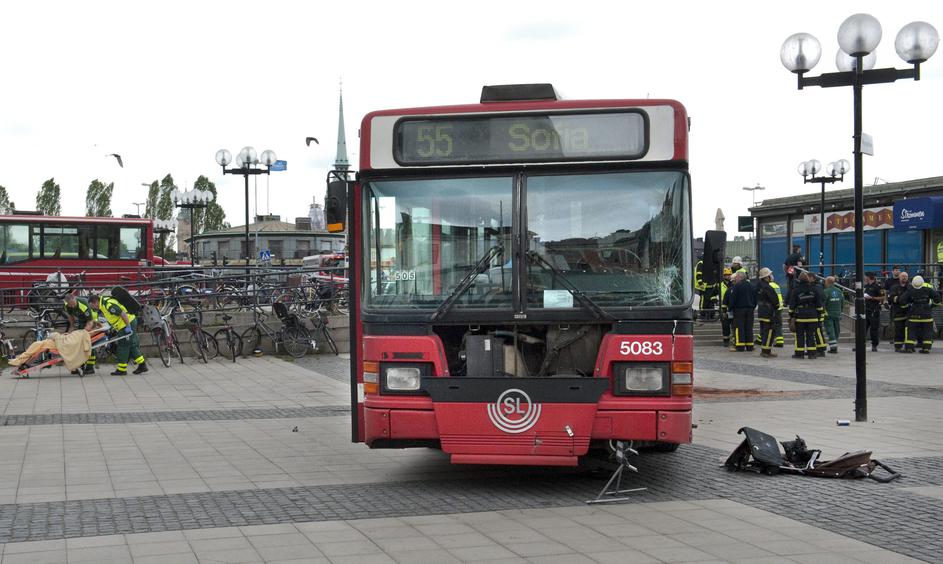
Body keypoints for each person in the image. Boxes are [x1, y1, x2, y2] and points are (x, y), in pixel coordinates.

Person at [90, 293, 148, 375]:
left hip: (126, 324)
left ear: (95, 302)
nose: (93, 308)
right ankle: (142, 365)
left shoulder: (108, 305)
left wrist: (128, 326)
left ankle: (122, 369)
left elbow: (122, 313)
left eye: (92, 306)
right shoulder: (104, 303)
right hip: (126, 324)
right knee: (131, 345)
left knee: (123, 346)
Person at [900, 275, 941, 353]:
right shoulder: (928, 290)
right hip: (927, 315)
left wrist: (907, 307)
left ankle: (909, 347)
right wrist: (931, 306)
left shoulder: (910, 291)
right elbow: (938, 298)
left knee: (910, 330)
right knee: (927, 331)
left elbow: (902, 300)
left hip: (913, 316)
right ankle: (926, 348)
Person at [788, 271, 824, 360]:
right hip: (812, 316)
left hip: (800, 317)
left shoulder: (796, 290)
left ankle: (799, 354)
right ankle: (812, 354)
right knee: (811, 336)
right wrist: (819, 314)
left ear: (799, 280)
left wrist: (791, 315)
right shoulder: (814, 289)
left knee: (799, 336)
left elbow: (792, 305)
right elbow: (819, 304)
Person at [62, 292, 99, 375]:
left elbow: (90, 321)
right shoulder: (67, 305)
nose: (72, 306)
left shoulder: (83, 305)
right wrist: (72, 327)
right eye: (70, 305)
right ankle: (79, 365)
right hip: (81, 321)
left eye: (73, 304)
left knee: (89, 343)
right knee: (78, 345)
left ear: (74, 299)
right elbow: (71, 317)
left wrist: (84, 332)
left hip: (92, 320)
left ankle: (90, 368)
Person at [729, 271, 756, 352]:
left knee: (739, 328)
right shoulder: (751, 285)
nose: (735, 278)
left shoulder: (737, 286)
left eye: (736, 277)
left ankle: (740, 346)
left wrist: (730, 308)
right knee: (749, 327)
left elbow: (733, 298)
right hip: (750, 310)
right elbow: (755, 298)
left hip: (739, 310)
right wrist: (753, 306)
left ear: (740, 277)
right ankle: (750, 346)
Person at [755, 268, 779, 358]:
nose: (771, 276)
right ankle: (766, 351)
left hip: (761, 312)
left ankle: (765, 350)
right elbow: (775, 301)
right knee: (769, 332)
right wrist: (776, 307)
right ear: (766, 277)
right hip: (768, 312)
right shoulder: (767, 287)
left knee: (764, 332)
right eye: (769, 275)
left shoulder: (758, 286)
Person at [888, 271, 911, 352]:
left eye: (906, 276)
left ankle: (908, 346)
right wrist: (901, 299)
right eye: (903, 276)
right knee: (899, 330)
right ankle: (898, 346)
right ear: (899, 277)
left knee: (909, 330)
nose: (904, 278)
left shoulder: (910, 287)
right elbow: (891, 298)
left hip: (908, 312)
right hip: (898, 312)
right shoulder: (894, 288)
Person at [863, 271, 885, 352]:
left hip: (874, 310)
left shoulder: (878, 286)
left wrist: (872, 298)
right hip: (866, 310)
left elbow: (882, 297)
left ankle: (874, 345)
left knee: (874, 329)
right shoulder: (866, 286)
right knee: (863, 328)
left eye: (865, 276)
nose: (864, 278)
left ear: (868, 277)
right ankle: (861, 345)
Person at [823, 276, 844, 354]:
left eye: (825, 282)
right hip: (837, 314)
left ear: (828, 282)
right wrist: (840, 311)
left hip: (828, 314)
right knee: (836, 330)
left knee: (830, 330)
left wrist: (823, 312)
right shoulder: (839, 291)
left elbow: (823, 303)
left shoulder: (825, 291)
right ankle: (835, 344)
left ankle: (833, 348)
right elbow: (842, 302)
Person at [768, 274, 785, 348]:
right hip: (779, 307)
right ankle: (780, 341)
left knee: (769, 325)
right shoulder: (776, 285)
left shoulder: (769, 286)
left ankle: (766, 340)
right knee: (778, 324)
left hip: (773, 308)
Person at [719, 267, 732, 347]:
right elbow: (713, 295)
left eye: (729, 275)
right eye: (726, 275)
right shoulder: (720, 285)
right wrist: (715, 300)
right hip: (723, 308)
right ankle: (726, 341)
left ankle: (734, 340)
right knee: (725, 326)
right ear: (724, 276)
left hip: (731, 308)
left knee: (734, 325)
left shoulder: (733, 284)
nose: (728, 276)